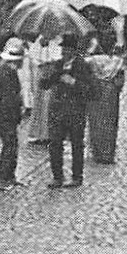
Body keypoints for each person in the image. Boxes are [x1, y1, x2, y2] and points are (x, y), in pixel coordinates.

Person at [41, 35, 94, 189]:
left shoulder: (82, 66)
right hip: (57, 112)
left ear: (74, 51)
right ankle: (57, 176)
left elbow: (92, 91)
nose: (64, 52)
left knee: (77, 145)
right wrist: (46, 73)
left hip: (75, 112)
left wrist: (74, 83)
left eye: (67, 49)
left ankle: (77, 177)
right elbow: (44, 84)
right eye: (63, 48)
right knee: (55, 144)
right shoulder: (58, 65)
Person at [0, 38, 25, 190]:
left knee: (12, 145)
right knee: (9, 146)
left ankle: (9, 176)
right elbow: (9, 100)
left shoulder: (6, 71)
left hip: (6, 115)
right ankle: (1, 178)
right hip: (6, 116)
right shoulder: (6, 73)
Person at [85, 32, 127, 166]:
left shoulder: (92, 60)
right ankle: (108, 152)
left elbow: (86, 75)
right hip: (110, 94)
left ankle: (96, 150)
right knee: (110, 122)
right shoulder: (118, 62)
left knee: (95, 122)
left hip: (96, 91)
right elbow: (120, 82)